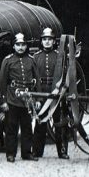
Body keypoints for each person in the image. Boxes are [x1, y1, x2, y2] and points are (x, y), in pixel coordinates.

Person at [0, 33, 38, 162]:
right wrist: (3, 101)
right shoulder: (7, 60)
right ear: (14, 46)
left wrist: (37, 100)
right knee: (11, 128)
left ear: (26, 46)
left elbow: (37, 81)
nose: (20, 47)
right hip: (12, 99)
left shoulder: (31, 60)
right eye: (18, 45)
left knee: (27, 127)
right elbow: (2, 82)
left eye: (23, 45)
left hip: (27, 99)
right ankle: (11, 153)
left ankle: (27, 153)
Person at [32, 27, 69, 160]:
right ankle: (37, 151)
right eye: (45, 39)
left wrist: (62, 92)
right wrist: (36, 96)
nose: (47, 42)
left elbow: (65, 76)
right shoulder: (35, 57)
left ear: (54, 41)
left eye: (50, 39)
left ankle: (62, 151)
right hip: (41, 93)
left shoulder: (60, 57)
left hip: (56, 94)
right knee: (40, 122)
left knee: (58, 124)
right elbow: (33, 79)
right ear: (41, 41)